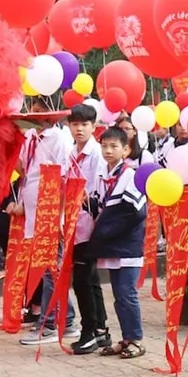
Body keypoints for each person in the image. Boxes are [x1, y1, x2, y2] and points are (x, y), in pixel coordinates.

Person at [14, 113, 78, 343]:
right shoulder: (30, 136)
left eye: (39, 111)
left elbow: (63, 178)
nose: (34, 116)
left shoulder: (59, 139)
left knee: (52, 267)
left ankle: (50, 323)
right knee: (49, 269)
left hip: (50, 212)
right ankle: (67, 318)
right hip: (34, 213)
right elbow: (22, 169)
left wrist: (59, 216)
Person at [88, 126, 148, 358]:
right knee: (119, 295)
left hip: (127, 245)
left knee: (127, 293)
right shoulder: (104, 174)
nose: (108, 150)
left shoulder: (131, 175)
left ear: (126, 149)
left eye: (114, 146)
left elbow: (135, 213)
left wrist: (105, 231)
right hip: (112, 245)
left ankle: (136, 340)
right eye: (104, 146)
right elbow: (101, 207)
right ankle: (126, 338)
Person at [63, 105, 110, 354]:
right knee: (89, 280)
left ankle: (89, 331)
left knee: (83, 281)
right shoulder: (71, 152)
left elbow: (99, 190)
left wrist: (86, 199)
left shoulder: (97, 154)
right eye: (75, 124)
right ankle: (100, 330)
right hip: (74, 223)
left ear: (94, 126)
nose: (79, 129)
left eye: (84, 124)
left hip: (91, 224)